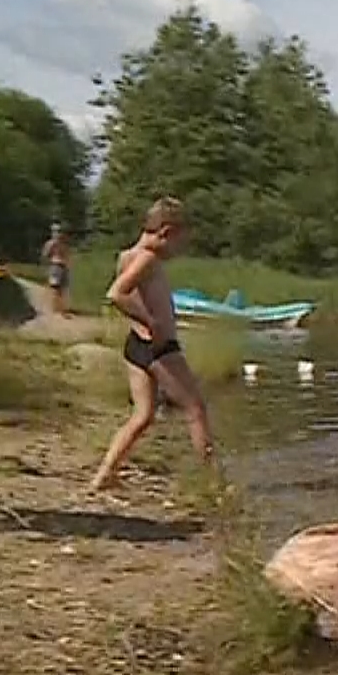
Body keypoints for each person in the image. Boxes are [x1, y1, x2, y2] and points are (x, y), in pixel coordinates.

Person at [90, 197, 217, 492]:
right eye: (179, 244)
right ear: (165, 232)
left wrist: (145, 324)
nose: (178, 252)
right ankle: (213, 486)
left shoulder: (127, 255)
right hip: (158, 347)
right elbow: (117, 294)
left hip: (137, 345)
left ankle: (104, 475)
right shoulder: (148, 258)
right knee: (195, 408)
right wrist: (153, 322)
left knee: (143, 415)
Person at [40, 222, 71, 316]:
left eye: (60, 231)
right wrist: (47, 264)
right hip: (55, 265)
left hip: (63, 266)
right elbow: (45, 254)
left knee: (63, 287)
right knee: (55, 287)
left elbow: (67, 254)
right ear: (53, 232)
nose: (59, 233)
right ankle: (55, 308)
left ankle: (60, 307)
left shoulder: (64, 243)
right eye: (57, 231)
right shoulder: (51, 243)